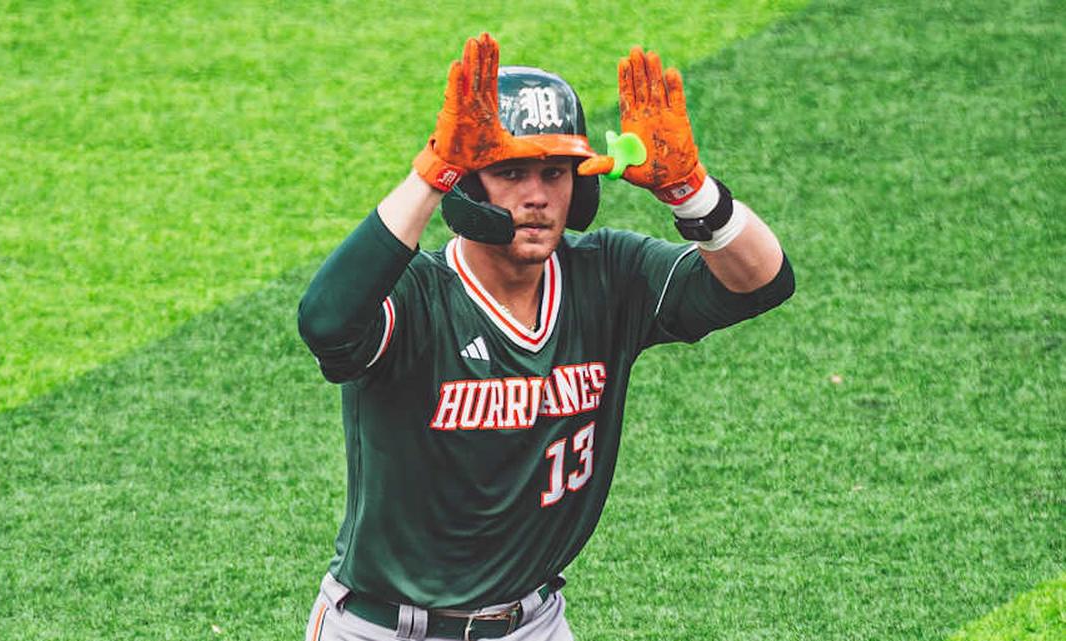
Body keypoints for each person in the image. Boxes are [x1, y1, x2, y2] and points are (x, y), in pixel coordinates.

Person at [297, 33, 794, 641]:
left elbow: (761, 282)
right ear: (468, 185)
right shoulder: (417, 295)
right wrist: (431, 174)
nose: (537, 196)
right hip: (383, 628)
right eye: (510, 172)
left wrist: (692, 192)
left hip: (532, 623)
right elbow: (326, 323)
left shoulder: (608, 276)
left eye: (555, 173)